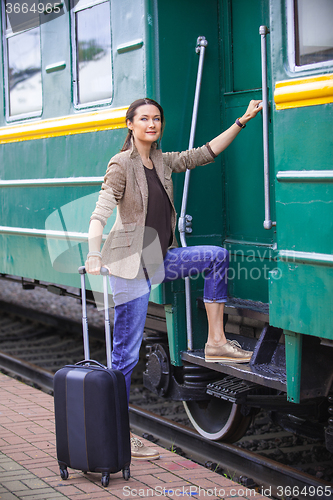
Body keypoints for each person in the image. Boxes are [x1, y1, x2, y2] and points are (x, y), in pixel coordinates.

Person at [85, 97, 262, 459]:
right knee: (124, 357)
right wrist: (93, 251)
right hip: (130, 266)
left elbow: (204, 154)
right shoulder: (121, 164)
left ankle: (216, 341)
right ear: (130, 125)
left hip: (160, 259)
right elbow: (100, 210)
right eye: (144, 119)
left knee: (216, 257)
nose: (152, 124)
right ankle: (117, 436)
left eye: (157, 119)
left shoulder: (162, 161)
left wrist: (241, 121)